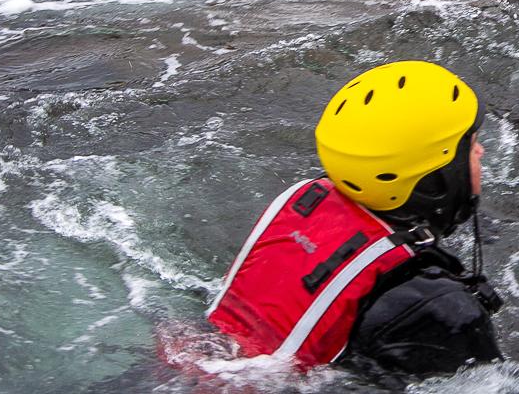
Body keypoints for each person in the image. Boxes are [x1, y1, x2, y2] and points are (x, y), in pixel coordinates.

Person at [209, 60, 502, 379]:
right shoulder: (444, 310)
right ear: (436, 178)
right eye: (471, 145)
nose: (481, 152)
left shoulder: (305, 203)